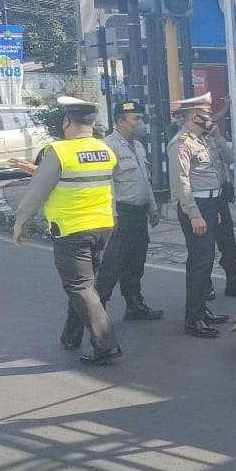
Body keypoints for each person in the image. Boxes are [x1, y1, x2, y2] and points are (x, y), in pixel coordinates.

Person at [11, 96, 122, 365]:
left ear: (66, 122)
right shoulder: (106, 150)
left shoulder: (59, 151)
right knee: (86, 286)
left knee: (79, 287)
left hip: (72, 230)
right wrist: (41, 171)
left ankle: (106, 345)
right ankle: (71, 336)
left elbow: (38, 191)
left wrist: (20, 221)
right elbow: (84, 178)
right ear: (93, 124)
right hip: (103, 226)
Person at [167, 92, 230, 338]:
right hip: (197, 208)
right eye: (206, 114)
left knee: (205, 259)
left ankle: (202, 309)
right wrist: (194, 215)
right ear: (194, 115)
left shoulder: (204, 138)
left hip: (212, 203)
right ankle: (193, 319)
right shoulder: (181, 142)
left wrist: (215, 133)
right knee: (200, 261)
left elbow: (230, 158)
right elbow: (181, 182)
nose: (211, 117)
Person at [95, 99, 164, 321]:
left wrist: (152, 208)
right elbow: (107, 185)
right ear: (120, 121)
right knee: (112, 265)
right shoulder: (108, 146)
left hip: (139, 214)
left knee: (136, 262)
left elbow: (145, 180)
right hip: (121, 215)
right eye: (136, 119)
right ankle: (97, 313)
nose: (140, 123)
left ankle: (134, 304)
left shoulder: (139, 146)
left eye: (140, 118)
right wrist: (111, 215)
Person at [202, 98, 236, 301]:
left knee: (229, 244)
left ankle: (233, 283)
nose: (209, 122)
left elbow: (230, 158)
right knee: (204, 248)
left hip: (220, 197)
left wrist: (217, 135)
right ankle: (204, 286)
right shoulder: (187, 142)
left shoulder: (214, 137)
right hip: (202, 200)